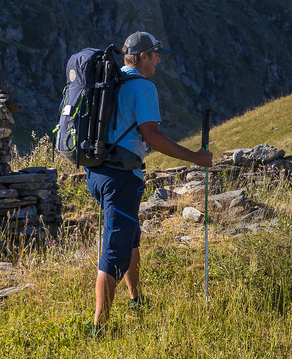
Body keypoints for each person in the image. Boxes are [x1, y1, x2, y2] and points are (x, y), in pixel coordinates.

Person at [88, 30, 213, 334]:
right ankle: (99, 328)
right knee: (115, 248)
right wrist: (194, 157)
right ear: (143, 57)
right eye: (156, 55)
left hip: (96, 172)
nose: (158, 61)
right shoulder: (143, 87)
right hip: (121, 177)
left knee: (129, 236)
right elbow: (152, 136)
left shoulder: (111, 82)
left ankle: (136, 299)